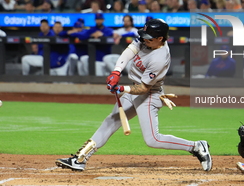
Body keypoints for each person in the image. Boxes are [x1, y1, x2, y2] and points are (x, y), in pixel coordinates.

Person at [55, 19, 212, 172]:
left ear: (160, 39)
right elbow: (129, 51)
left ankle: (196, 146)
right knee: (111, 121)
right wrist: (117, 71)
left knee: (153, 140)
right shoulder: (148, 38)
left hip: (149, 95)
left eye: (149, 38)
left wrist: (122, 88)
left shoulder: (159, 58)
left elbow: (143, 88)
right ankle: (80, 159)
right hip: (132, 89)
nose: (144, 40)